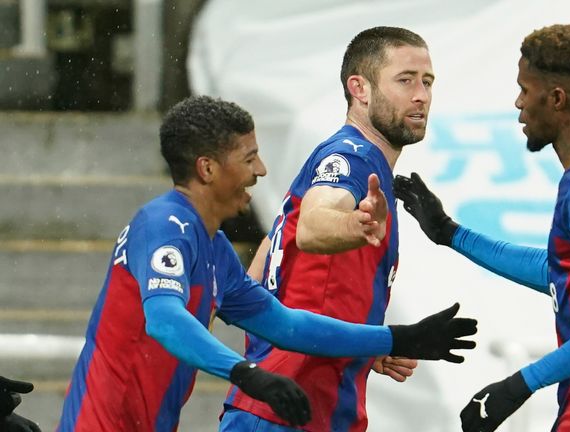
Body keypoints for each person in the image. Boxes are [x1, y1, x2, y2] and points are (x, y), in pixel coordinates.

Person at [56, 95, 477, 432]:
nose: (261, 170)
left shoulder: (214, 248)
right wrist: (246, 373)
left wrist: (398, 338)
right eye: (249, 157)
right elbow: (164, 319)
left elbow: (286, 326)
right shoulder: (164, 224)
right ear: (207, 169)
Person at [394, 24, 570, 432]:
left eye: (525, 90)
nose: (518, 103)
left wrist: (521, 383)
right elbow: (567, 274)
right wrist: (451, 233)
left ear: (557, 99)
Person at [220, 26, 440, 432]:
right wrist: (352, 223)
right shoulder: (352, 158)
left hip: (290, 407)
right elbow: (312, 227)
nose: (421, 95)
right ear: (360, 88)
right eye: (405, 80)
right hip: (290, 411)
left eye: (427, 82)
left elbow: (256, 276)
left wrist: (364, 345)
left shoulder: (346, 160)